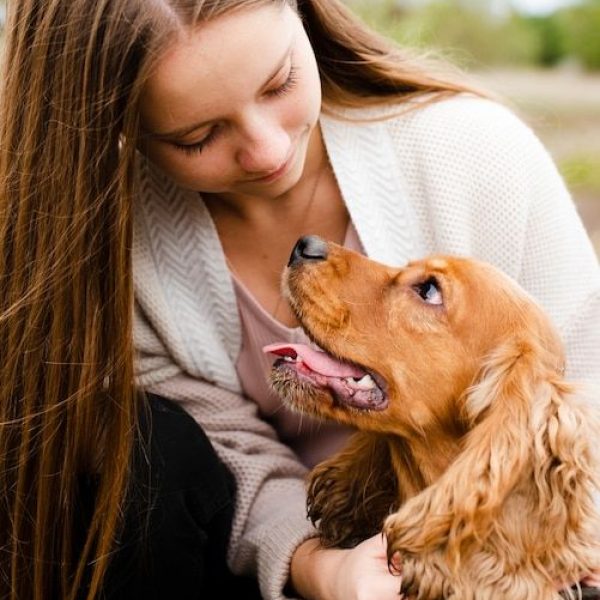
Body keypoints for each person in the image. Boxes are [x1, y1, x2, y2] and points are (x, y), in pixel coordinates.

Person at [0, 0, 598, 599]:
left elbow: (579, 389)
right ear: (123, 127)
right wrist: (318, 566)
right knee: (141, 445)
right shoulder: (113, 247)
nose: (267, 151)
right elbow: (218, 451)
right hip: (273, 555)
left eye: (279, 82)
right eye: (197, 136)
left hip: (507, 553)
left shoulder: (474, 153)